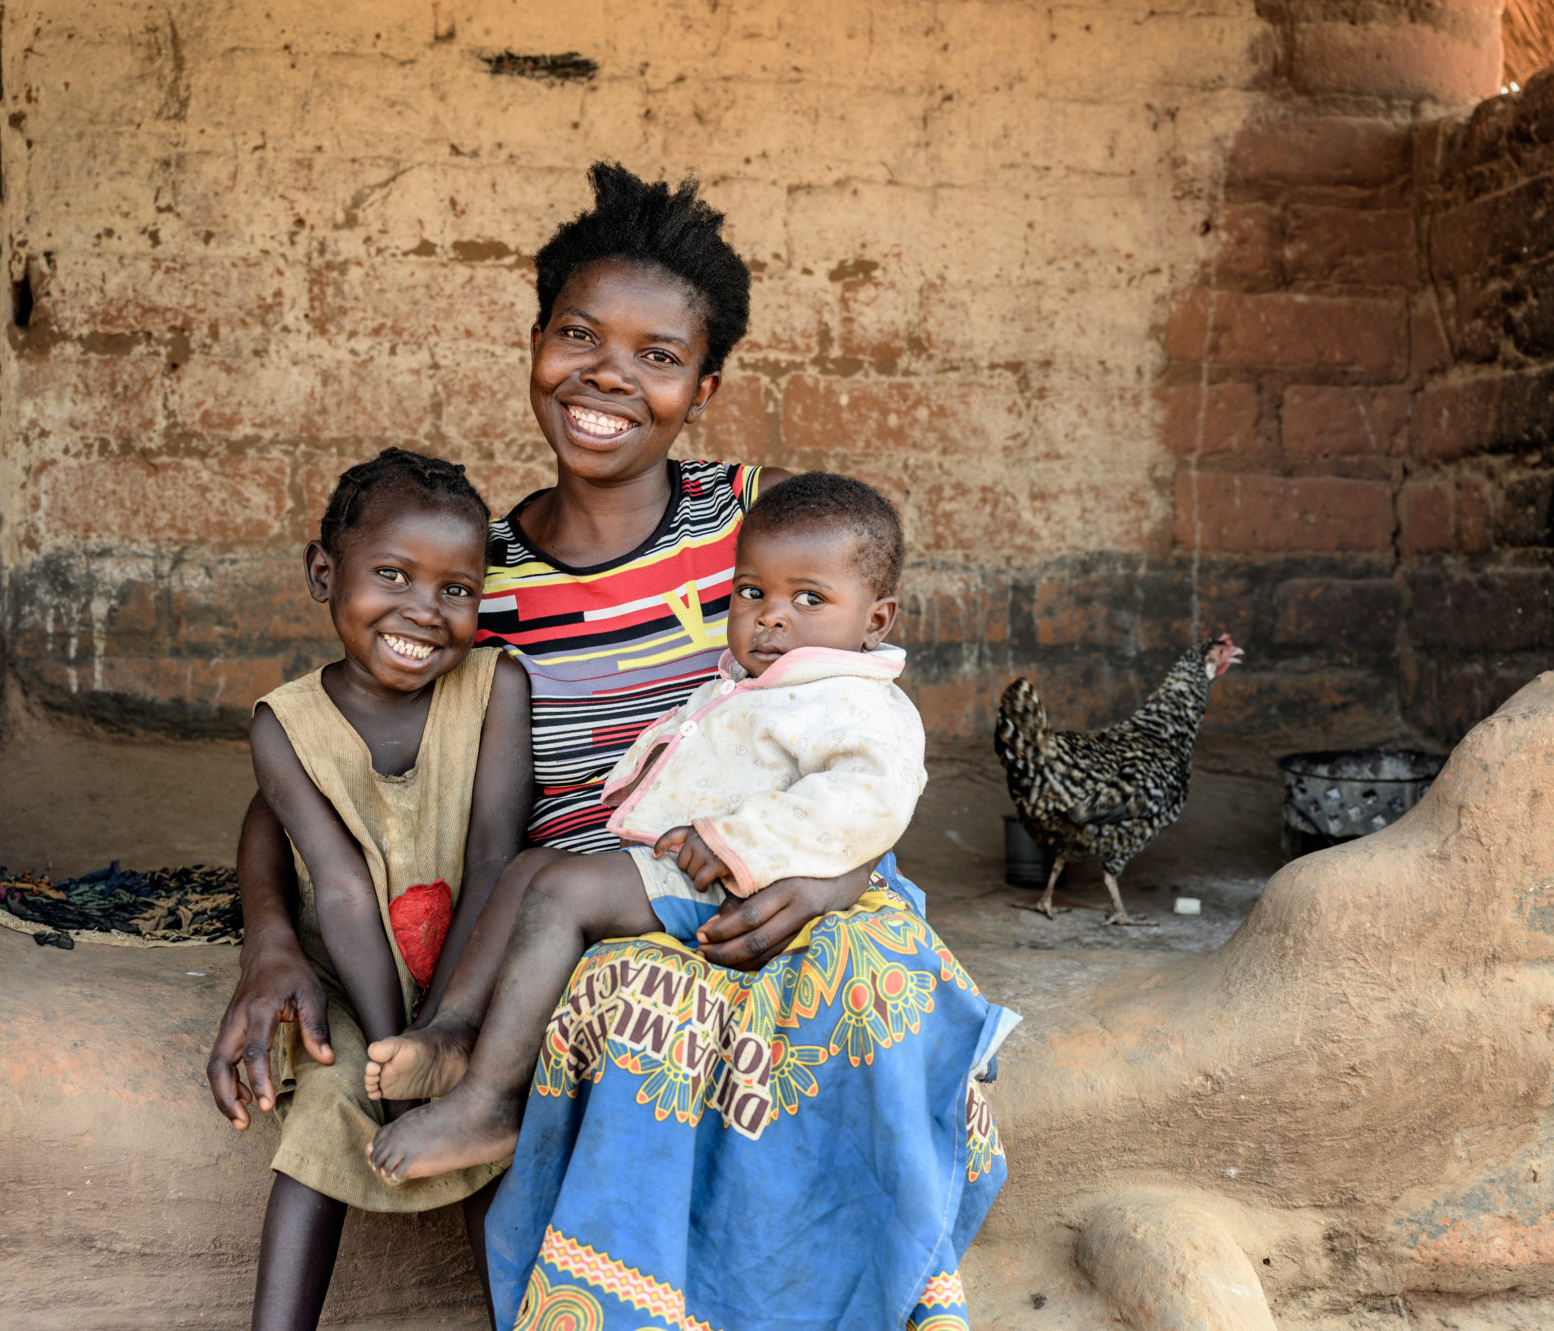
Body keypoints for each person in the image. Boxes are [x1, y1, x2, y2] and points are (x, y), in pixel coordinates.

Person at [210, 162, 1012, 1331]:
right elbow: (316, 746)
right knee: (616, 995)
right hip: (556, 907)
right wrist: (269, 941)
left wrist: (828, 878)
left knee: (830, 998)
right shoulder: (469, 572)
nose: (607, 377)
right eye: (578, 334)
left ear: (703, 384)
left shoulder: (758, 529)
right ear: (535, 341)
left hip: (761, 879)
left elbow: (856, 730)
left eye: (657, 354)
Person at [363, 472, 930, 1180]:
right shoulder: (760, 678)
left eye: (808, 599)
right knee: (530, 868)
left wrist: (739, 841)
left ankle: (490, 1101)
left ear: (875, 621)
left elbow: (869, 797)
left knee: (564, 889)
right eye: (751, 592)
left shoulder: (855, 701)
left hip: (740, 886)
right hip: (692, 865)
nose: (772, 616)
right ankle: (454, 1029)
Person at [237, 448, 533, 1330]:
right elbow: (338, 890)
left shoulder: (497, 686)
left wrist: (442, 1035)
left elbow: (493, 860)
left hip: (470, 979)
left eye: (456, 589)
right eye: (393, 575)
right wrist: (391, 1053)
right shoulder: (284, 724)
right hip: (354, 982)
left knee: (480, 1109)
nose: (424, 611)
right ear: (324, 574)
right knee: (327, 1109)